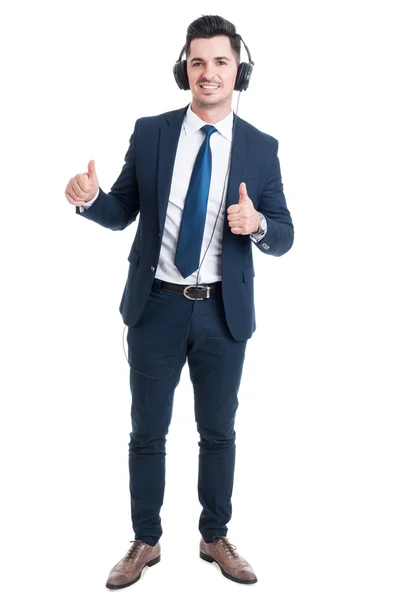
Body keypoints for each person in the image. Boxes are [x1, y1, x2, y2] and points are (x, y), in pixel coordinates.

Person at [65, 14, 294, 588]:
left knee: (219, 431)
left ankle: (214, 537)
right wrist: (91, 201)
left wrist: (258, 223)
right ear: (183, 69)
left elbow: (286, 235)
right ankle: (145, 540)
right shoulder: (152, 132)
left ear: (239, 70)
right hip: (156, 308)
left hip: (224, 312)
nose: (208, 73)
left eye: (221, 61)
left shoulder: (262, 149)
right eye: (197, 61)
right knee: (147, 430)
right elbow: (121, 211)